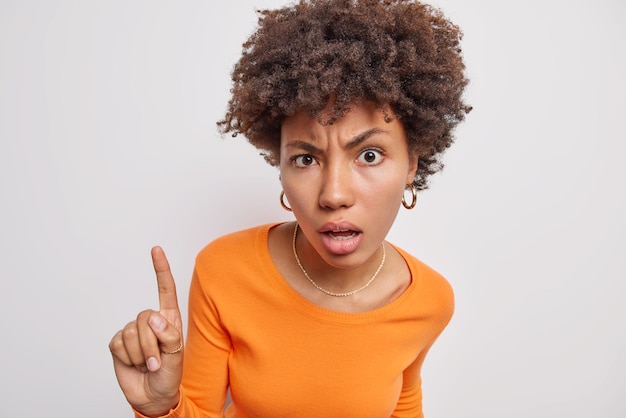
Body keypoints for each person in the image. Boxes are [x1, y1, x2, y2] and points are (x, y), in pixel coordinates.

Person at [108, 0, 470, 416]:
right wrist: (160, 407)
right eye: (306, 159)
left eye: (369, 155)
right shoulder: (223, 271)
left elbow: (405, 407)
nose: (333, 194)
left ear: (411, 164)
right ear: (279, 166)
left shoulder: (429, 299)